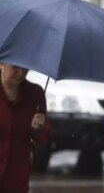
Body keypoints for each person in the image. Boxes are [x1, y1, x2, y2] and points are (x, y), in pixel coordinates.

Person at [0, 63, 51, 193]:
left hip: (16, 178)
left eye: (25, 68)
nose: (21, 73)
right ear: (1, 64)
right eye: (15, 67)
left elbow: (43, 138)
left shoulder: (35, 94)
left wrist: (40, 126)